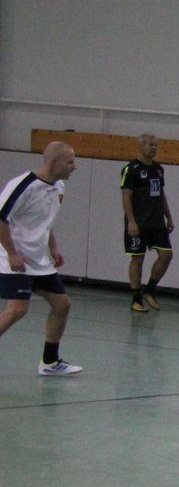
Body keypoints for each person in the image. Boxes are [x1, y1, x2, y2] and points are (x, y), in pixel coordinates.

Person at [0, 142, 84, 376]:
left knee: (62, 304)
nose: (75, 167)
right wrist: (12, 253)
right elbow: (1, 219)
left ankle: (49, 362)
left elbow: (45, 221)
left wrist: (53, 247)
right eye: (70, 162)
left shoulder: (59, 186)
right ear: (54, 162)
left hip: (38, 260)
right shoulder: (23, 185)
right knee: (17, 309)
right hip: (13, 258)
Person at [121, 133, 175, 313]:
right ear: (141, 146)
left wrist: (169, 216)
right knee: (137, 258)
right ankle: (136, 298)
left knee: (166, 255)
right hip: (139, 222)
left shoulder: (158, 169)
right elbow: (126, 197)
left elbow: (161, 195)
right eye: (151, 145)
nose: (154, 148)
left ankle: (149, 290)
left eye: (156, 145)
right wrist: (131, 221)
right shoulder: (131, 169)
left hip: (157, 222)